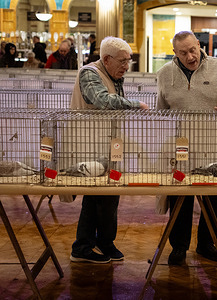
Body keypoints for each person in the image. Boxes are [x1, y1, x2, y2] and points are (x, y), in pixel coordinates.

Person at [156, 30, 217, 266]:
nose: (190, 56)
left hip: (212, 144)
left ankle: (207, 244)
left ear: (199, 44)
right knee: (179, 197)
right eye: (183, 53)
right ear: (175, 53)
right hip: (181, 147)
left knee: (212, 197)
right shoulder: (164, 74)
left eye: (193, 49)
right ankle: (179, 247)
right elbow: (161, 109)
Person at [70, 36, 149, 264]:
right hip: (89, 142)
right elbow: (102, 100)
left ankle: (105, 242)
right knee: (95, 195)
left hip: (109, 143)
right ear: (106, 59)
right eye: (123, 61)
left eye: (129, 61)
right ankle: (82, 247)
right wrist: (136, 105)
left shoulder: (114, 74)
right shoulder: (89, 72)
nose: (126, 66)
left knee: (109, 193)